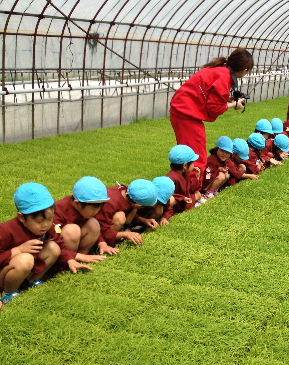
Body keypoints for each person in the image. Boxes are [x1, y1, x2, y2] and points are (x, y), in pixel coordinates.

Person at [169, 48, 254, 187]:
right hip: (185, 113)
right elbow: (214, 107)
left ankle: (183, 186)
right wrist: (234, 104)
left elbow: (212, 96)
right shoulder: (224, 76)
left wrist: (230, 99)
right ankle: (192, 190)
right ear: (244, 70)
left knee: (189, 152)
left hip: (182, 110)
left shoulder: (221, 70)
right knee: (197, 156)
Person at [1, 183, 94, 305]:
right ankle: (7, 294)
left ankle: (31, 283)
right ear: (22, 218)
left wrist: (70, 259)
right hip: (5, 274)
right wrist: (17, 250)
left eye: (50, 219)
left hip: (28, 269)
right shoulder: (6, 230)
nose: (45, 225)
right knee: (25, 259)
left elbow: (59, 243)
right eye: (39, 221)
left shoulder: (47, 228)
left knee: (53, 247)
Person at [95, 179, 159, 254]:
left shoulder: (128, 193)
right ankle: (105, 245)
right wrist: (125, 234)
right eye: (143, 207)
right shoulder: (110, 204)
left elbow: (128, 211)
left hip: (105, 224)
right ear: (137, 205)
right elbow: (101, 230)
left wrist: (144, 220)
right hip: (97, 233)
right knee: (120, 217)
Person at [54, 176, 110, 259]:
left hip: (74, 246)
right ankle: (65, 264)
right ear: (77, 204)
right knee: (72, 230)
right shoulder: (59, 210)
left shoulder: (86, 212)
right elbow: (55, 238)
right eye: (95, 206)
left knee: (93, 223)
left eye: (101, 205)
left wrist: (101, 242)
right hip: (60, 248)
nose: (98, 210)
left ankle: (83, 256)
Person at [166, 144, 202, 214]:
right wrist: (183, 198)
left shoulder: (184, 173)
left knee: (198, 194)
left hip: (185, 199)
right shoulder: (171, 178)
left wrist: (197, 177)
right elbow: (168, 198)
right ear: (185, 166)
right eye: (192, 163)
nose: (194, 165)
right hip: (178, 204)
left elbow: (193, 189)